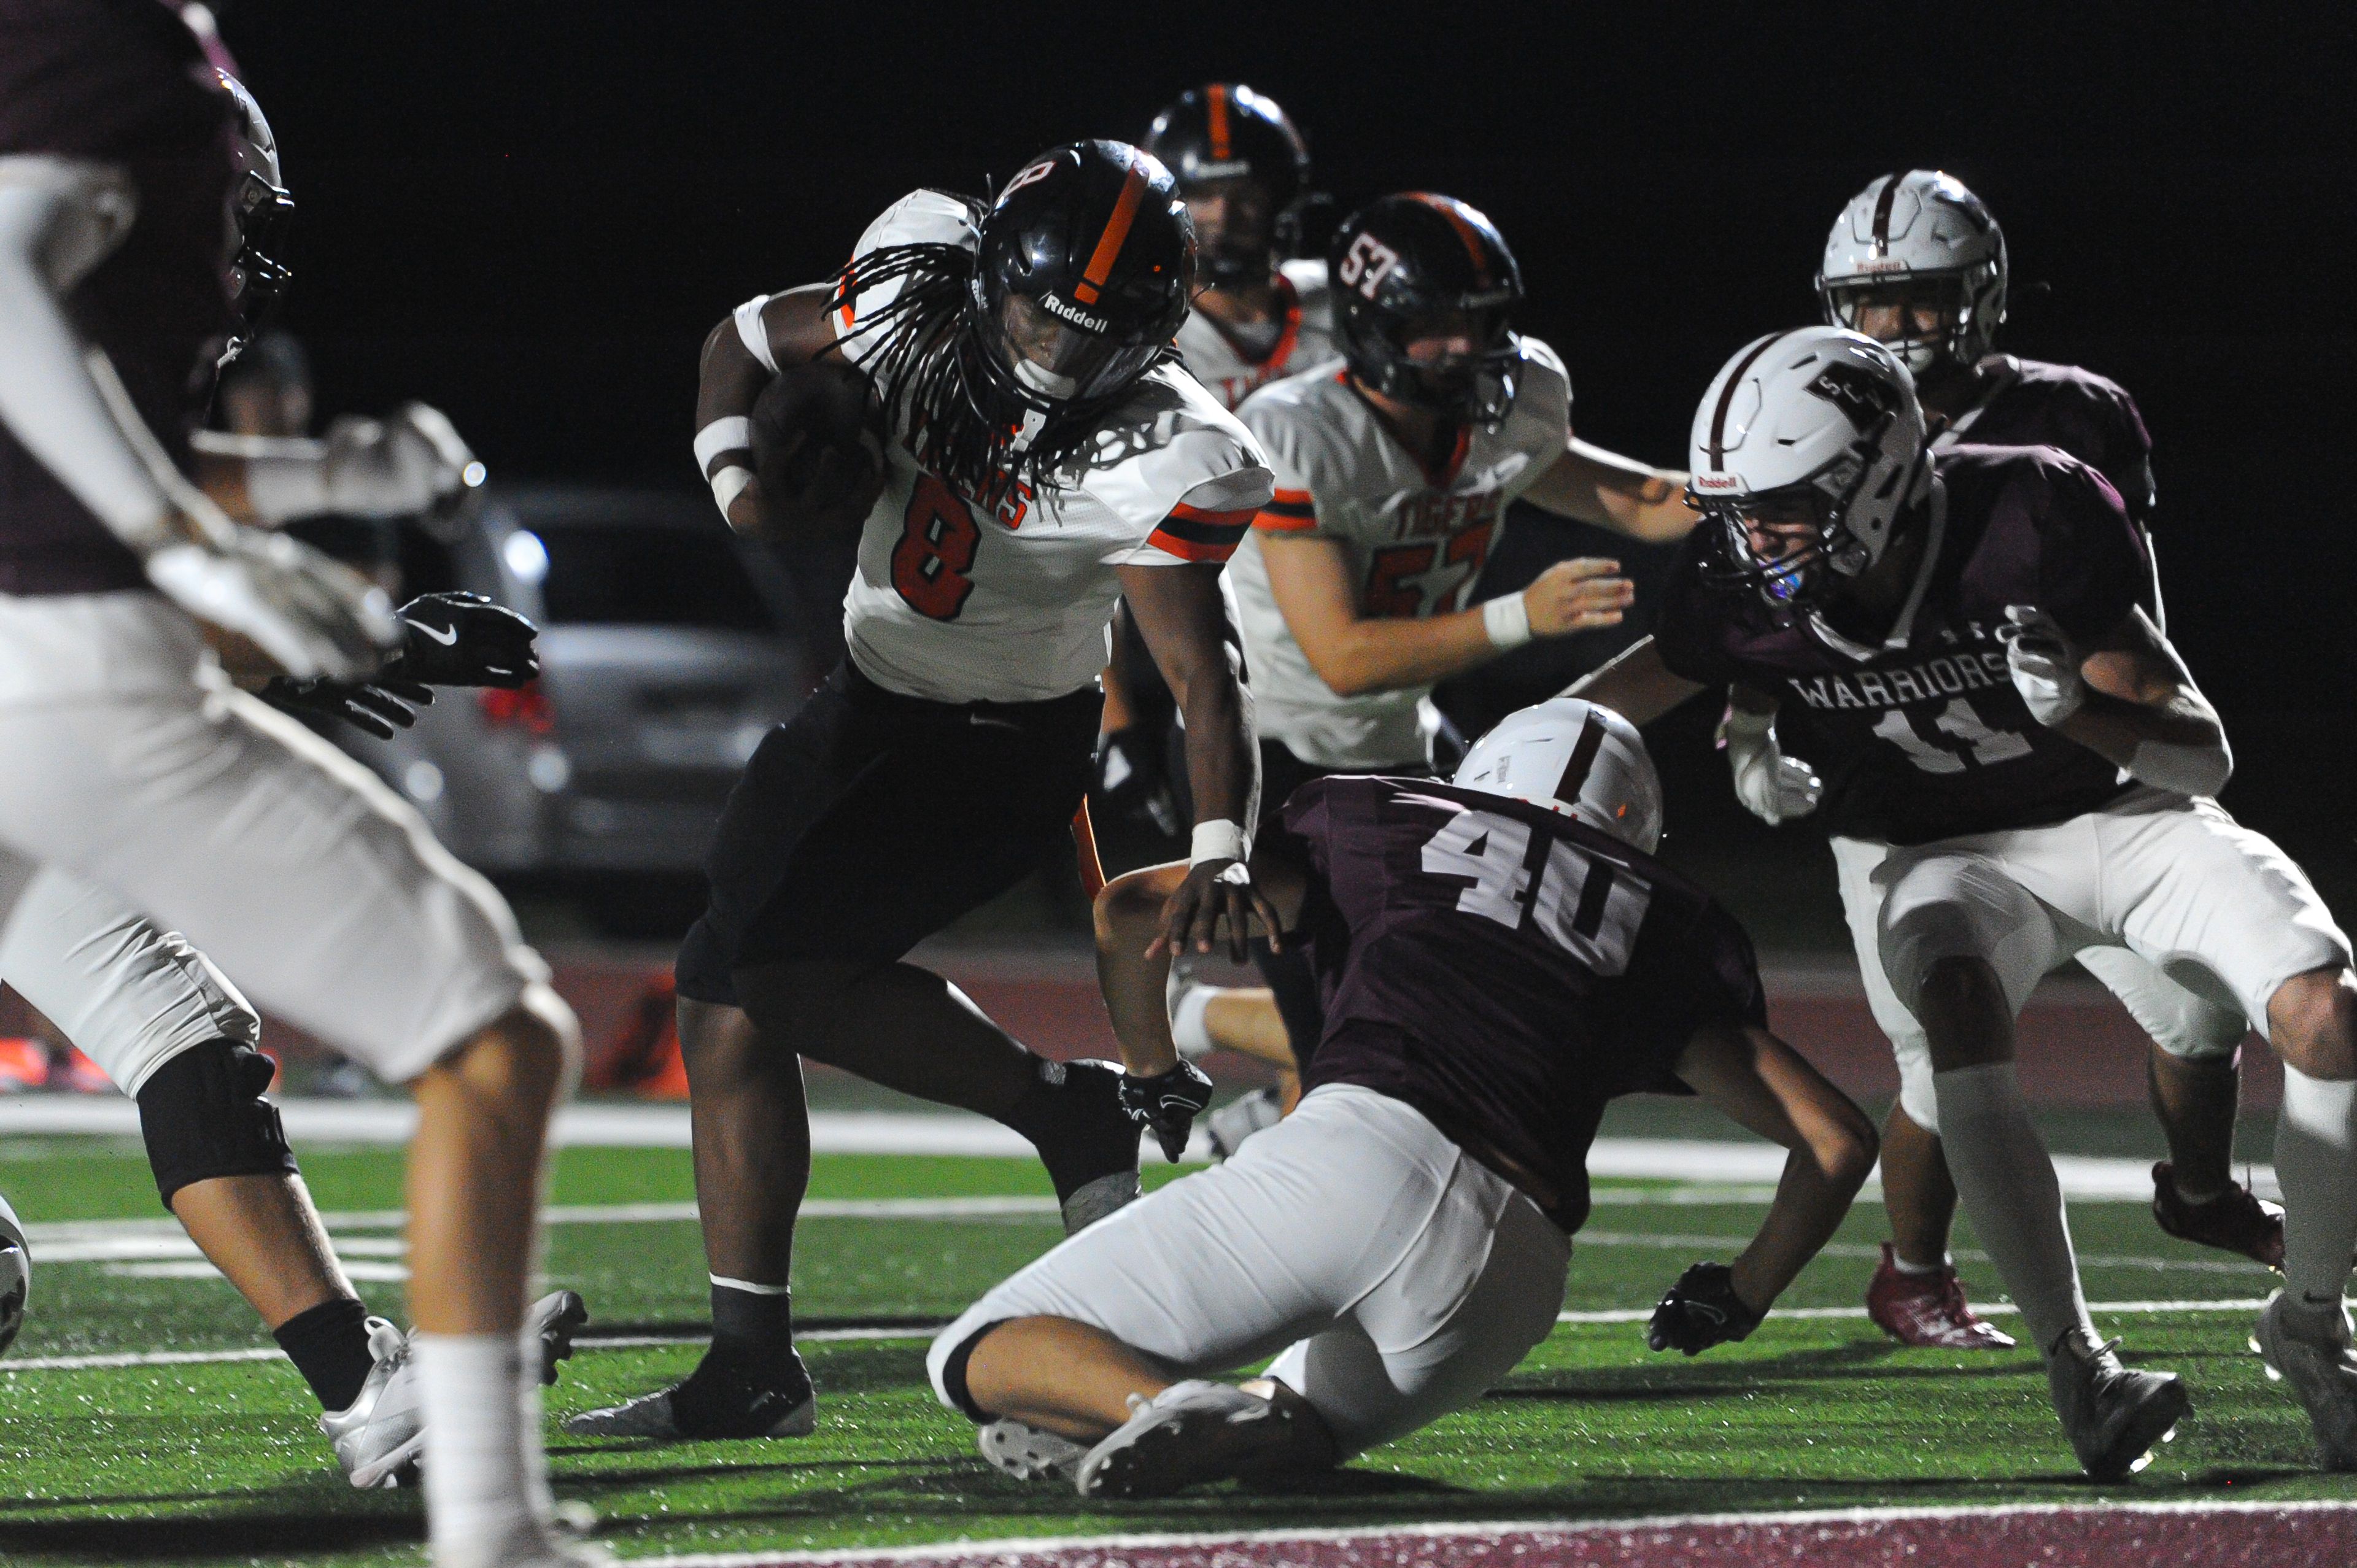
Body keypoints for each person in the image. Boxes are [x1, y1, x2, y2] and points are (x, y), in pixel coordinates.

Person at [567, 141, 1280, 1443]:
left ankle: (1058, 1109)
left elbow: (1203, 672)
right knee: (718, 998)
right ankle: (751, 1367)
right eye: (1034, 315)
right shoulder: (914, 285)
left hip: (1005, 743)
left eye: (1093, 336)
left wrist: (1221, 845)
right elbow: (737, 343)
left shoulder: (1173, 441)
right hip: (868, 701)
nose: (1055, 357)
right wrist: (740, 493)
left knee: (770, 976)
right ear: (994, 271)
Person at [0, 7, 597, 1562]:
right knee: (492, 1028)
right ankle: (492, 1520)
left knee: (173, 1022)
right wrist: (224, 562)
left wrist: (330, 488)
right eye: (239, 215)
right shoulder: (121, 68)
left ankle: (374, 1393)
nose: (244, 247)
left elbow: (78, 459)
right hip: (57, 689)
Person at [1584, 324, 2353, 1477]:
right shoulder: (1748, 573)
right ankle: (2078, 1367)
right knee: (1951, 1019)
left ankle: (2313, 1323)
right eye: (1740, 511)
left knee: (2325, 1014)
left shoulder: (2031, 510)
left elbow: (2206, 759)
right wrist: (1528, 757)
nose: (1755, 539)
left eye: (1783, 507)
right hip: (1947, 854)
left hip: (2120, 821)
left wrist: (2085, 712)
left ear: (1881, 481)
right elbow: (1667, 668)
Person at [927, 699, 1875, 1497]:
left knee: (976, 1353)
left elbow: (1129, 910)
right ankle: (1183, 1420)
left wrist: (1149, 1068)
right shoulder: (1664, 922)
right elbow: (1835, 1139)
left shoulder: (1382, 816)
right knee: (1293, 1435)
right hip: (1510, 1278)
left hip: (1360, 1160)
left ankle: (1157, 1405)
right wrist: (1739, 1295)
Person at [1165, 191, 1697, 1151]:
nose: (1463, 347)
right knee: (1354, 1037)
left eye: (1480, 323)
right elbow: (1342, 656)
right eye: (1435, 325)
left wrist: (1779, 498)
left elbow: (1644, 499)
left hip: (1400, 747)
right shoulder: (1296, 430)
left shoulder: (1516, 406)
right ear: (1373, 325)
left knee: (1444, 996)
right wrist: (1520, 617)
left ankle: (1231, 1044)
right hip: (1274, 763)